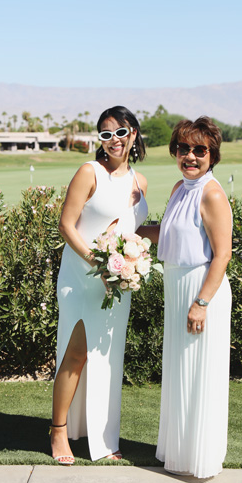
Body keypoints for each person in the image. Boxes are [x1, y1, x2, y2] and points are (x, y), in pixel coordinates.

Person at [50, 105, 148, 464]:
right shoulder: (89, 172)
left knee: (108, 358)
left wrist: (173, 235)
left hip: (119, 282)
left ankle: (103, 439)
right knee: (76, 353)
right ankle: (58, 432)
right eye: (105, 135)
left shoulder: (140, 182)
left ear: (133, 134)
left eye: (120, 133)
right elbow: (66, 225)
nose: (113, 141)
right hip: (82, 277)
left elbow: (133, 230)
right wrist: (100, 265)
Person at [138, 117, 232, 478]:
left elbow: (221, 254)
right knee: (180, 371)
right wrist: (129, 231)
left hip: (200, 291)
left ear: (212, 155)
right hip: (176, 288)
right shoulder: (181, 187)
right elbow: (169, 232)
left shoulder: (211, 193)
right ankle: (177, 451)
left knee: (198, 374)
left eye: (199, 150)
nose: (190, 156)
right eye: (183, 149)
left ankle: (199, 458)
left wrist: (201, 303)